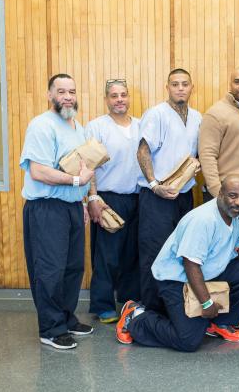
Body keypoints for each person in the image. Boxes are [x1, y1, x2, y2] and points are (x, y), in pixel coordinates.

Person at [115, 176, 239, 352]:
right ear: (220, 194)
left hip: (206, 273)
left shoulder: (237, 214)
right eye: (232, 195)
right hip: (175, 279)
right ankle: (136, 317)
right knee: (189, 340)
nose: (238, 202)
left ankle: (220, 324)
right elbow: (190, 264)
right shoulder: (203, 219)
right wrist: (206, 303)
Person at [20, 74, 94, 350]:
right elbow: (38, 171)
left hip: (72, 207)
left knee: (73, 267)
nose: (68, 97)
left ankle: (65, 317)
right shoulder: (41, 126)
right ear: (49, 95)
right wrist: (76, 182)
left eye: (72, 91)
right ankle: (50, 329)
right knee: (50, 270)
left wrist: (84, 202)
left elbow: (85, 167)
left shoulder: (77, 126)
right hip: (47, 208)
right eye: (61, 91)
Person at [198, 67, 239, 324]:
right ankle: (227, 310)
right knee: (225, 254)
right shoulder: (215, 114)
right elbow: (207, 156)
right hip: (226, 200)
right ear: (230, 83)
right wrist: (219, 196)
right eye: (237, 81)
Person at [137, 69, 202, 312]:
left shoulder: (196, 117)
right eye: (175, 84)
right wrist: (154, 185)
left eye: (185, 84)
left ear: (191, 87)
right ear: (167, 87)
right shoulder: (157, 114)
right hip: (157, 196)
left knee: (180, 250)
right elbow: (142, 150)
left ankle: (173, 305)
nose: (180, 88)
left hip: (183, 195)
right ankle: (151, 309)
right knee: (154, 250)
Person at [85, 79, 141, 324]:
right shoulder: (97, 127)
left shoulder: (141, 125)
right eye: (114, 95)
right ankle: (103, 305)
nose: (120, 99)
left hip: (138, 197)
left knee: (132, 254)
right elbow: (87, 165)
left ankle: (128, 302)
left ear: (129, 98)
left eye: (123, 95)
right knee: (107, 255)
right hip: (109, 199)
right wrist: (93, 197)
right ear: (106, 100)